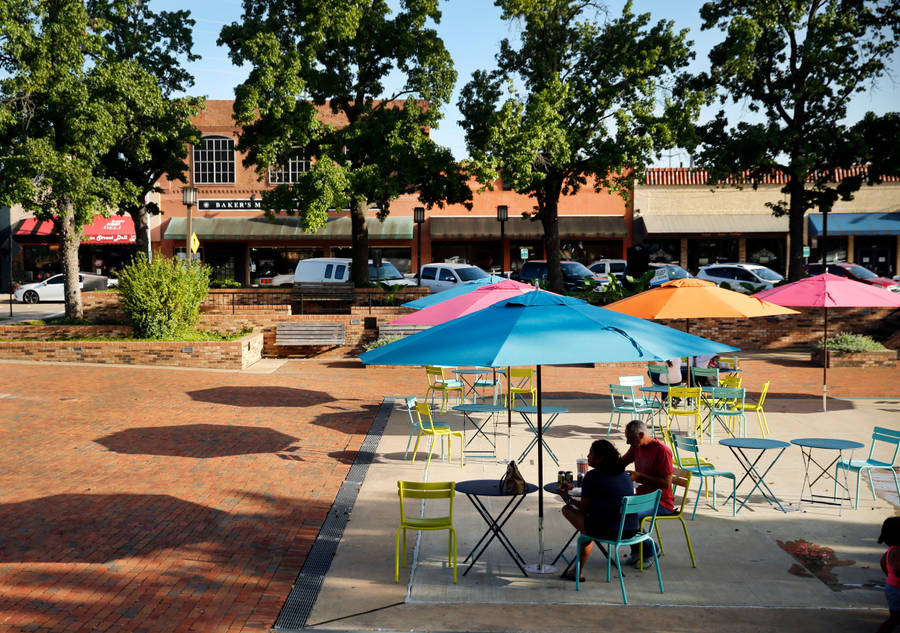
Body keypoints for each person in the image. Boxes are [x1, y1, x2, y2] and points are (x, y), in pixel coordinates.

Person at [558, 439, 636, 581]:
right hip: (631, 529)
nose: (588, 457)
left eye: (590, 454)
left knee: (567, 510)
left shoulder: (592, 476)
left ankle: (577, 571)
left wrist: (567, 498)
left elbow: (584, 507)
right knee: (589, 523)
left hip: (611, 530)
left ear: (600, 459)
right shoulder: (625, 476)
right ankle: (576, 570)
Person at [621, 419, 675, 569]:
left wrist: (639, 476)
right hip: (642, 498)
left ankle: (651, 551)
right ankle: (638, 550)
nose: (627, 442)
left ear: (641, 434)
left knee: (630, 516)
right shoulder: (635, 447)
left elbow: (666, 483)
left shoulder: (662, 451)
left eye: (630, 438)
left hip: (661, 502)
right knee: (620, 510)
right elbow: (621, 462)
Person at [878, 517, 900, 633]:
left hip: (893, 588)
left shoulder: (892, 549)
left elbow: (882, 562)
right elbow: (897, 569)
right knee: (895, 619)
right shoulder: (898, 551)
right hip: (897, 590)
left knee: (895, 618)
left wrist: (889, 577)